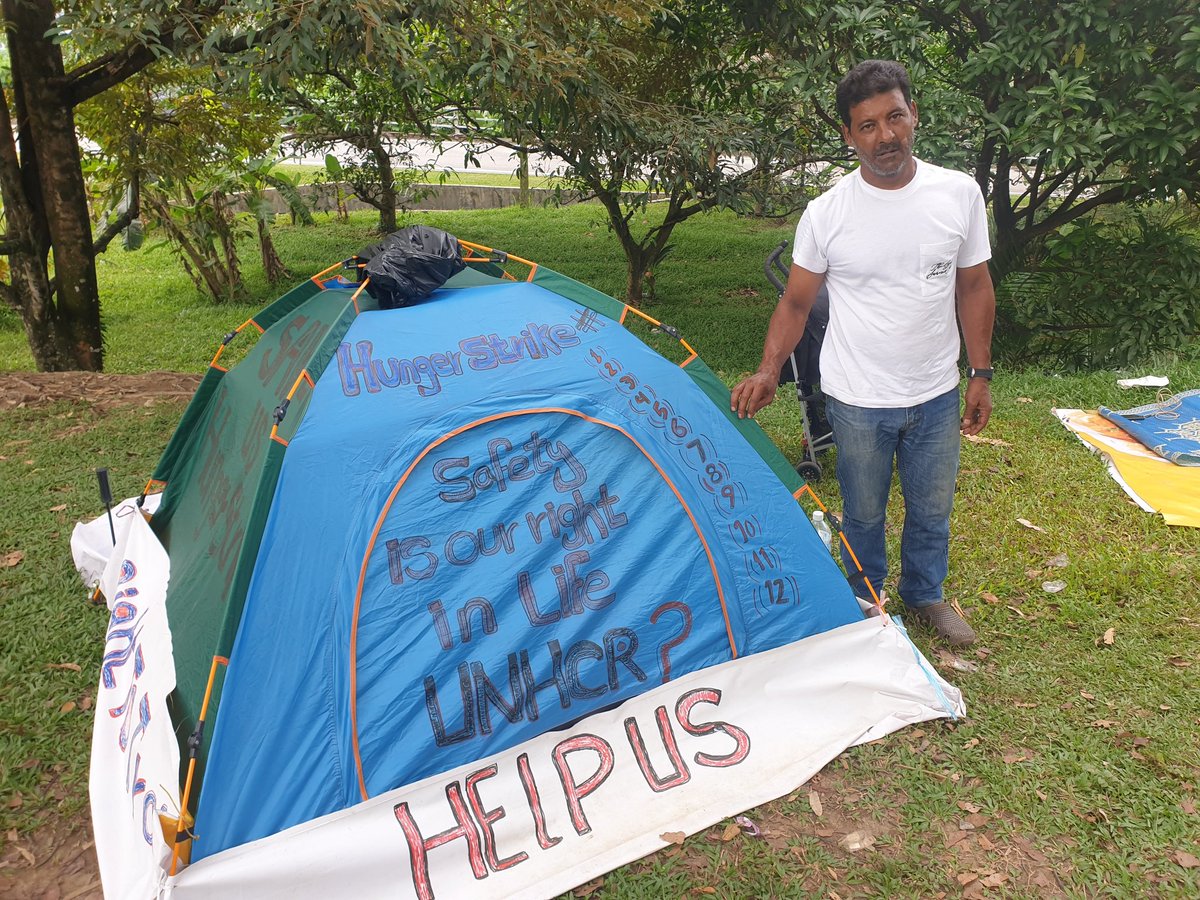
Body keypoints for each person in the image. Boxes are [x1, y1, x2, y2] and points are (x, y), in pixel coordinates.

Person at [730, 59, 995, 646]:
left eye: (895, 117)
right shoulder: (827, 213)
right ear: (849, 138)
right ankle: (865, 596)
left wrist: (980, 373)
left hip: (936, 390)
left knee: (931, 507)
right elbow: (796, 304)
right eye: (868, 126)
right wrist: (770, 369)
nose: (886, 136)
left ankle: (925, 595)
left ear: (914, 116)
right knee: (864, 513)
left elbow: (974, 285)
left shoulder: (957, 194)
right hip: (856, 396)